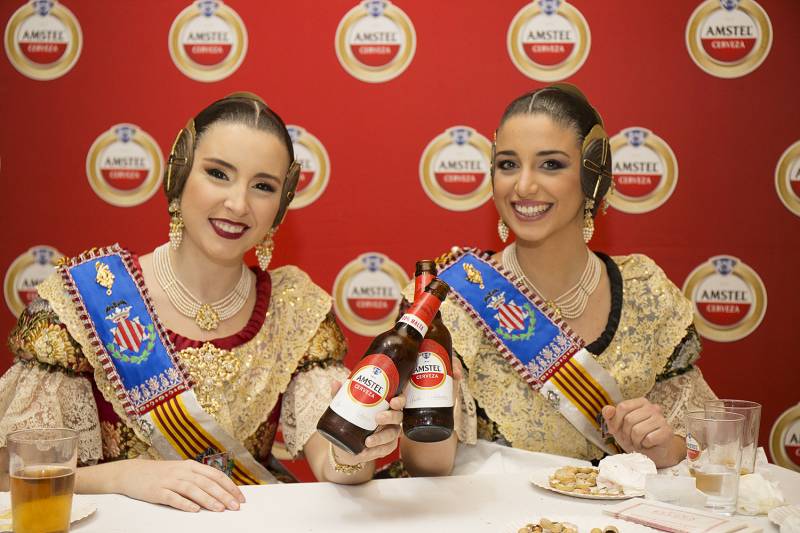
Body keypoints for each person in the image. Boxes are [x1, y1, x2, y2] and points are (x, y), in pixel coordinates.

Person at [0, 93, 404, 512]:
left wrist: (357, 449)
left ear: (280, 207)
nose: (238, 204)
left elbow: (334, 465)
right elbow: (12, 476)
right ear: (179, 178)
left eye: (263, 186)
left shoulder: (294, 309)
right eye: (218, 174)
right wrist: (123, 475)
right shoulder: (87, 299)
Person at [400, 84, 717, 475]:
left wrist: (663, 447)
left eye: (550, 164)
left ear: (592, 176)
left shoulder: (645, 294)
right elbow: (424, 469)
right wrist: (433, 399)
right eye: (508, 164)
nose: (524, 186)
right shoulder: (452, 294)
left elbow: (710, 454)